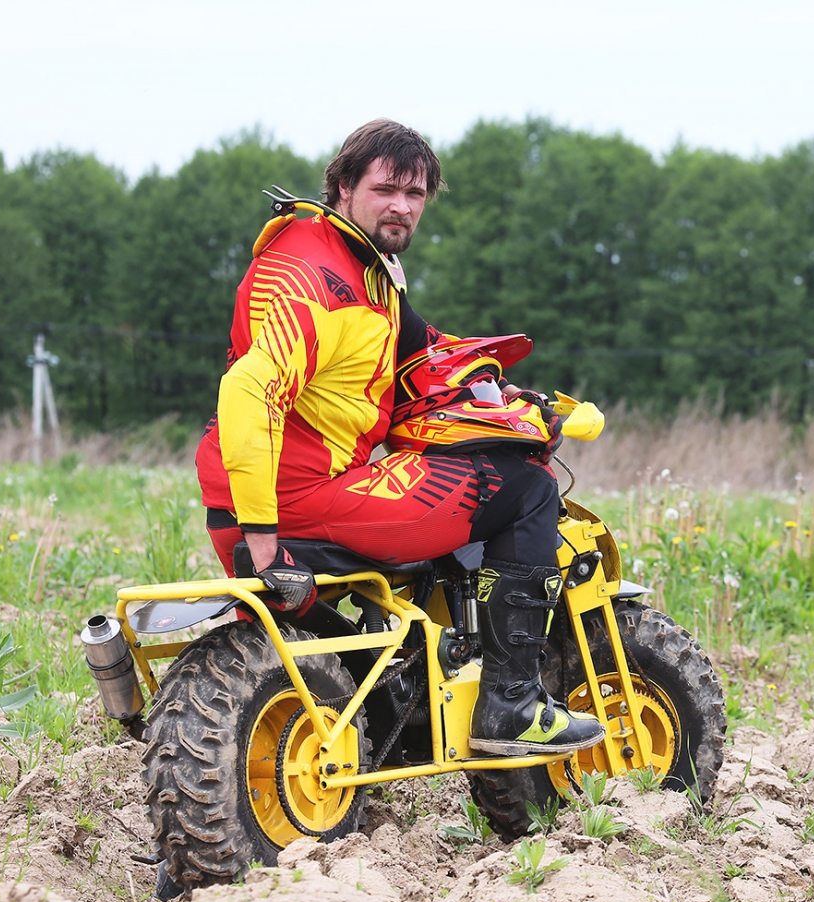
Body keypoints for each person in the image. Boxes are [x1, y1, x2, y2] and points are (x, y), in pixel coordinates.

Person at [195, 119, 603, 757]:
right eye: (387, 189)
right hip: (295, 498)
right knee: (524, 487)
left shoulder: (363, 268)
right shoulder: (313, 278)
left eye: (416, 195)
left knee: (458, 474)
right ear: (342, 186)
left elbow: (423, 351)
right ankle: (512, 704)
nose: (402, 207)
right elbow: (249, 392)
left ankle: (394, 702)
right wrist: (264, 541)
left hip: (268, 494)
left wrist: (512, 400)